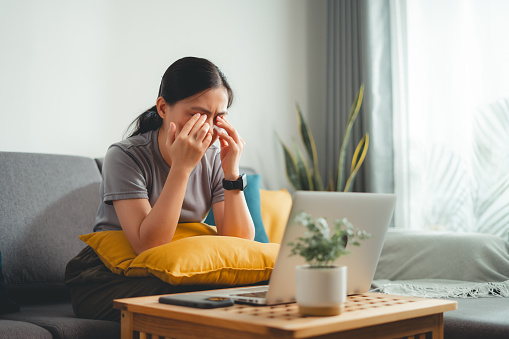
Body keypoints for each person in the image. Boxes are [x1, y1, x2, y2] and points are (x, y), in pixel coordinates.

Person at [65, 57, 255, 321]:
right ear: (164, 108)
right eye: (198, 114)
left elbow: (240, 244)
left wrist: (232, 173)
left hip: (176, 272)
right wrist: (181, 169)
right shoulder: (124, 156)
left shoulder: (214, 158)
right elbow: (149, 245)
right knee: (195, 298)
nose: (209, 128)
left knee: (238, 292)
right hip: (106, 277)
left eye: (219, 117)